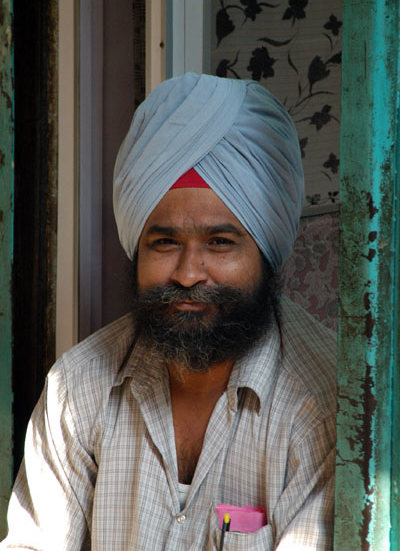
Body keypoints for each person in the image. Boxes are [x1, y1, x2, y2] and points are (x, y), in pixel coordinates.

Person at [1, 73, 336, 550]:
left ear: (265, 251)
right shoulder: (79, 388)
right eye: (165, 243)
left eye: (219, 242)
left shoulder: (324, 407)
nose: (187, 273)